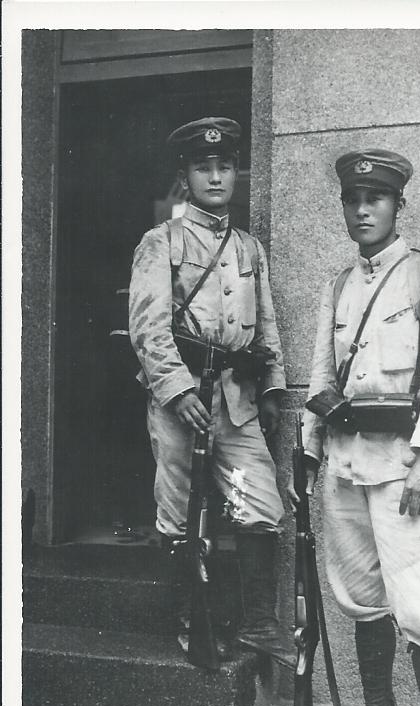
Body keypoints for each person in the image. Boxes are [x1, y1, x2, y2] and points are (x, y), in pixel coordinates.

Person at [289, 149, 420, 706]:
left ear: (399, 205)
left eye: (376, 199)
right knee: (361, 598)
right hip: (343, 466)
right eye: (352, 199)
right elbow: (319, 379)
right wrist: (307, 456)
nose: (362, 209)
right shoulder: (337, 287)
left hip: (403, 469)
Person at [129, 116, 294, 668]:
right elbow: (147, 329)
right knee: (180, 510)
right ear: (186, 175)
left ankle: (258, 625)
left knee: (262, 503)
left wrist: (272, 388)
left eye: (226, 167)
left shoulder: (249, 248)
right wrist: (176, 392)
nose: (217, 177)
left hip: (238, 401)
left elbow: (265, 325)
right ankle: (189, 618)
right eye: (205, 168)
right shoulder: (162, 242)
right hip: (183, 403)